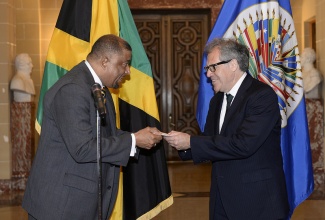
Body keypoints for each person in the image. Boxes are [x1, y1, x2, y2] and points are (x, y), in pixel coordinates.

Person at [22, 34, 163, 220]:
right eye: (124, 64)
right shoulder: (73, 89)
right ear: (105, 61)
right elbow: (83, 148)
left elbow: (103, 133)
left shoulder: (97, 87)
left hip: (77, 203)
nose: (128, 71)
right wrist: (134, 140)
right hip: (61, 206)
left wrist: (136, 137)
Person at [163, 38, 289, 220]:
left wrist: (191, 141)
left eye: (212, 67)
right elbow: (212, 141)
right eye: (208, 69)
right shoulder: (217, 100)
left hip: (257, 202)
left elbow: (244, 144)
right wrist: (181, 144)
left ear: (233, 65)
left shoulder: (261, 96)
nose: (208, 74)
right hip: (221, 200)